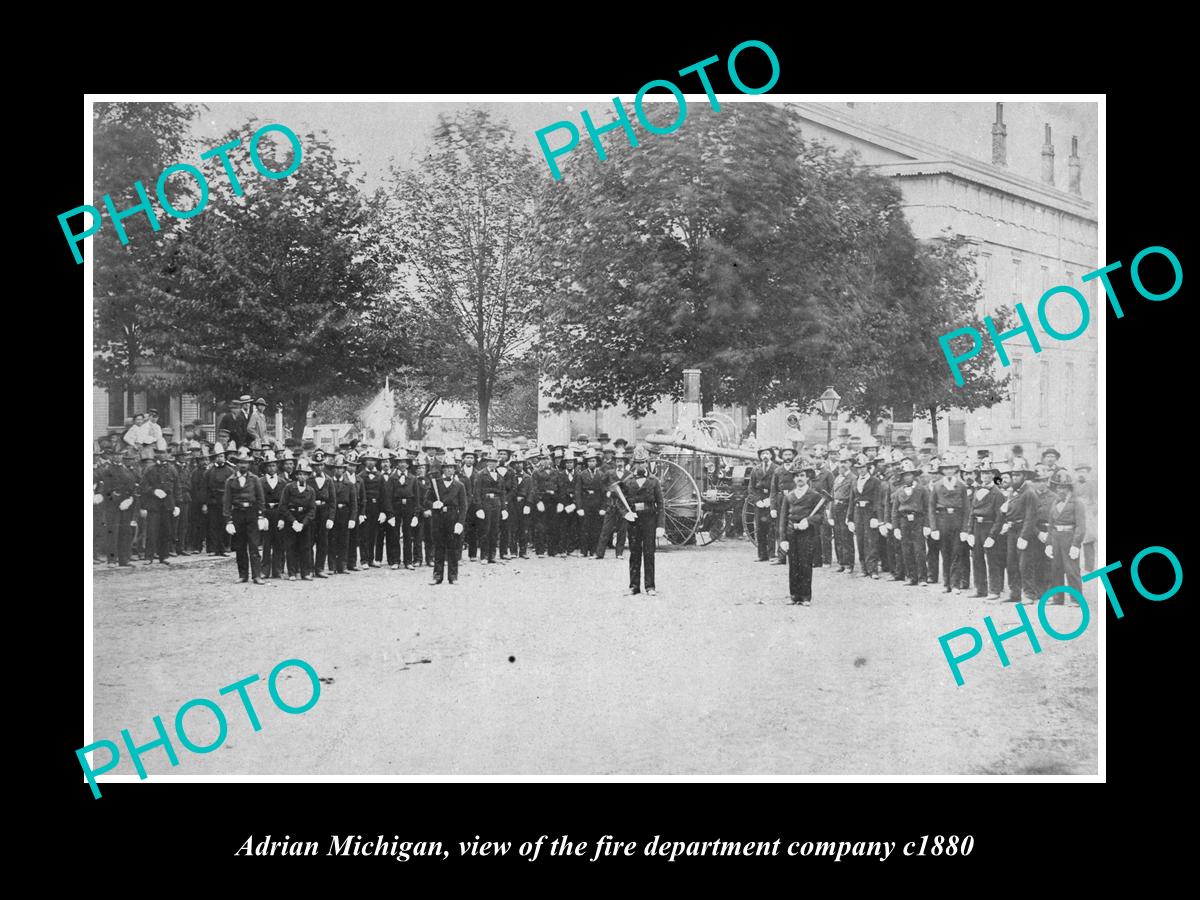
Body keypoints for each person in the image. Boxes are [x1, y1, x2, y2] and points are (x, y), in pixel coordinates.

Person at [621, 446, 666, 596]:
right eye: (637, 463)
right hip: (634, 520)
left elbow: (660, 504)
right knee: (634, 553)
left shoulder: (654, 481)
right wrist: (626, 514)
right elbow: (620, 502)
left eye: (643, 462)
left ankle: (650, 586)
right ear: (634, 463)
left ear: (647, 463)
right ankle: (634, 586)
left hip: (649, 520)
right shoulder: (627, 481)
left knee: (649, 552)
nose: (640, 465)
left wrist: (660, 525)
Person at [779, 465, 825, 605]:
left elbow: (820, 516)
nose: (799, 478)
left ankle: (805, 596)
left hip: (807, 534)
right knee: (793, 565)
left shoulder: (815, 496)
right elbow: (783, 518)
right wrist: (783, 539)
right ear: (794, 479)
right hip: (791, 533)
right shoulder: (789, 496)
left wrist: (809, 521)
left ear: (807, 478)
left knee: (805, 564)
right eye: (797, 476)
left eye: (802, 475)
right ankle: (794, 595)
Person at [223, 448, 266, 584]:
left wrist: (261, 516)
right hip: (237, 514)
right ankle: (243, 575)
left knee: (254, 545)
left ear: (249, 465)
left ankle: (257, 575)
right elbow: (227, 501)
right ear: (237, 464)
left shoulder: (255, 479)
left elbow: (260, 499)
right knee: (240, 546)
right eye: (241, 462)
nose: (243, 465)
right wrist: (228, 520)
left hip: (251, 514)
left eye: (246, 463)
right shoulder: (230, 480)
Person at [425, 453, 467, 585]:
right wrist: (433, 505)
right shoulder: (435, 484)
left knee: (453, 549)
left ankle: (453, 577)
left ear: (455, 470)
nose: (449, 470)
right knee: (438, 548)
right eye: (447, 467)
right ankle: (437, 576)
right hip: (438, 518)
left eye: (452, 468)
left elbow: (463, 506)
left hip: (453, 518)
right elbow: (426, 500)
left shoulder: (460, 485)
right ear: (443, 469)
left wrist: (460, 523)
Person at [1046, 469, 1086, 603]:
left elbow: (1081, 526)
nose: (1060, 490)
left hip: (1069, 537)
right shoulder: (1055, 502)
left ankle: (1076, 599)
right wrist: (1049, 543)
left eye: (1063, 487)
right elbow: (1051, 525)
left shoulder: (1077, 503)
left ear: (1069, 488)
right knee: (1055, 568)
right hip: (1056, 536)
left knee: (1071, 569)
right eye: (1058, 486)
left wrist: (1076, 544)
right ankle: (1058, 598)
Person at [967, 461, 1005, 599]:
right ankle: (980, 589)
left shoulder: (997, 493)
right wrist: (970, 531)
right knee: (977, 559)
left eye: (988, 473)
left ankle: (994, 590)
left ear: (993, 475)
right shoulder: (977, 491)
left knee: (992, 559)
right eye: (983, 473)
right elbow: (972, 512)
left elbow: (1000, 517)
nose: (985, 476)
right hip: (977, 527)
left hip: (989, 527)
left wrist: (992, 535)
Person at [139, 447, 178, 565]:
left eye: (165, 453)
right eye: (160, 453)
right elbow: (143, 486)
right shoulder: (150, 469)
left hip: (167, 505)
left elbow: (177, 488)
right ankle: (148, 556)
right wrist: (154, 491)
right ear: (156, 455)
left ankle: (164, 556)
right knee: (152, 531)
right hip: (154, 505)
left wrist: (177, 505)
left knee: (166, 531)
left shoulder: (172, 469)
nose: (163, 455)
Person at [848, 455, 884, 579]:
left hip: (869, 512)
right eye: (858, 468)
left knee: (871, 541)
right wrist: (850, 518)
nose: (861, 470)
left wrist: (876, 517)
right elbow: (852, 500)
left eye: (863, 467)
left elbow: (878, 500)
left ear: (867, 467)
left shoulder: (875, 481)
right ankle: (863, 568)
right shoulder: (855, 481)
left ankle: (873, 570)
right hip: (858, 511)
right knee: (860, 540)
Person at [281, 459, 316, 581]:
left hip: (304, 521)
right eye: (300, 474)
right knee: (291, 546)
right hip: (292, 519)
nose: (302, 477)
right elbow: (283, 507)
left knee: (305, 547)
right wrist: (293, 521)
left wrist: (303, 523)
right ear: (296, 475)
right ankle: (292, 572)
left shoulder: (311, 491)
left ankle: (305, 572)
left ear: (308, 476)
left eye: (304, 474)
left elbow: (312, 509)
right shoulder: (288, 488)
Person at [472, 451, 506, 563]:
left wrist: (504, 509)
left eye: (495, 462)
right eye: (490, 462)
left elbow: (502, 493)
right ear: (487, 463)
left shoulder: (500, 476)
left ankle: (492, 555)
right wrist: (479, 508)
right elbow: (476, 492)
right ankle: (484, 556)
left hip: (497, 504)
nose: (492, 464)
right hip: (485, 503)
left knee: (495, 530)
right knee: (485, 530)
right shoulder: (481, 474)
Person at [260, 452, 288, 579]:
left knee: (279, 542)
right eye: (269, 466)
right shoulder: (260, 482)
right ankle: (265, 570)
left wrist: (282, 518)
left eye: (273, 465)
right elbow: (258, 501)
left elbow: (286, 502)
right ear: (265, 468)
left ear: (277, 467)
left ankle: (278, 569)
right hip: (266, 512)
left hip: (278, 513)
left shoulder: (283, 483)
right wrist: (261, 516)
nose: (271, 468)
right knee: (266, 543)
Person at [309, 450, 335, 579]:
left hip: (324, 513)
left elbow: (332, 501)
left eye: (321, 465)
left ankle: (319, 568)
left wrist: (331, 517)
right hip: (312, 513)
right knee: (309, 541)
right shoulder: (308, 479)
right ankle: (308, 568)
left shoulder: (329, 480)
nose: (319, 468)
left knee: (323, 542)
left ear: (324, 465)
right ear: (312, 466)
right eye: (316, 465)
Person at [749, 447, 777, 562]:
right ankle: (762, 555)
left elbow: (777, 487)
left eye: (767, 453)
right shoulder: (755, 470)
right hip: (759, 502)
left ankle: (771, 554)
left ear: (771, 455)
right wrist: (757, 501)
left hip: (771, 500)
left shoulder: (776, 469)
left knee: (771, 528)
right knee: (760, 529)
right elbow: (751, 487)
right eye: (763, 454)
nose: (765, 456)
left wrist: (770, 500)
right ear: (760, 456)